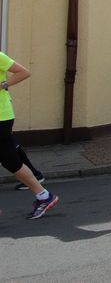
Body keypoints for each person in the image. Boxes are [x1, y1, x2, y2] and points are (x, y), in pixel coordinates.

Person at [0, 53, 59, 219]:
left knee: (11, 160)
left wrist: (2, 85)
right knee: (11, 161)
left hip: (2, 117)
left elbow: (23, 72)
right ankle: (44, 196)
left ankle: (44, 196)